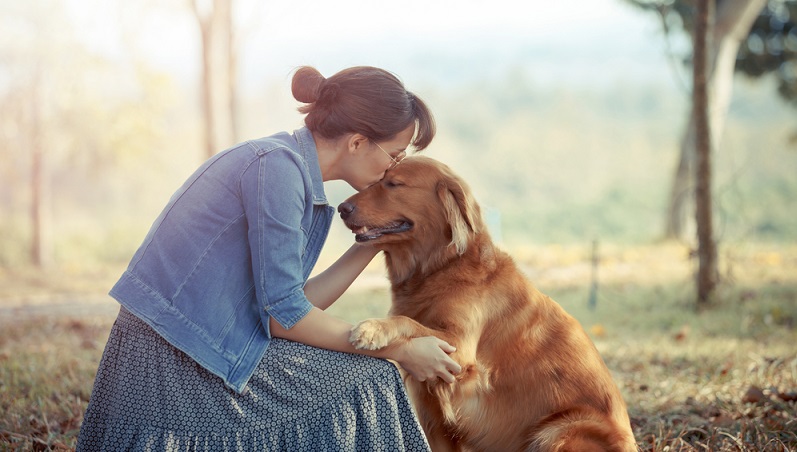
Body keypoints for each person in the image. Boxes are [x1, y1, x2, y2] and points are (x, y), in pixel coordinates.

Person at [76, 66, 461, 451]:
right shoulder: (276, 169)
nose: (393, 168)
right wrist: (400, 349)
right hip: (172, 364)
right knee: (370, 379)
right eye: (394, 155)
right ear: (358, 142)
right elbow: (283, 318)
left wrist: (373, 241)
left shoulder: (286, 166)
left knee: (365, 374)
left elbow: (291, 304)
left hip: (204, 348)